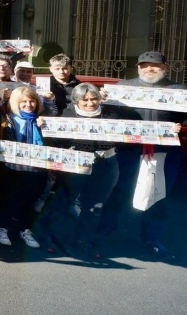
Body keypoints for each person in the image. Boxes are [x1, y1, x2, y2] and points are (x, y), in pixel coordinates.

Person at [98, 52, 186, 258]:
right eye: (144, 65)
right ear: (138, 68)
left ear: (166, 67)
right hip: (129, 151)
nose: (149, 69)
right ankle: (102, 235)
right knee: (118, 193)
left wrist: (179, 127)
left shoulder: (179, 90)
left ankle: (152, 239)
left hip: (164, 153)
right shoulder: (122, 87)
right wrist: (103, 101)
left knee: (158, 197)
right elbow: (107, 116)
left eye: (155, 65)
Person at [39, 83, 143, 259]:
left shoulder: (111, 114)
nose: (90, 103)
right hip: (76, 164)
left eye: (94, 98)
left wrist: (170, 130)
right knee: (64, 201)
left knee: (95, 207)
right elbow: (56, 140)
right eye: (85, 100)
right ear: (76, 101)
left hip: (106, 164)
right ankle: (50, 239)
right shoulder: (67, 115)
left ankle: (82, 242)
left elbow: (135, 128)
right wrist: (45, 125)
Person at [0, 87, 50, 250]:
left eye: (32, 101)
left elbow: (54, 143)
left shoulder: (42, 119)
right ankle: (2, 228)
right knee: (9, 199)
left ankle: (25, 230)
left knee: (30, 201)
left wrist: (46, 128)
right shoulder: (6, 118)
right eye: (24, 101)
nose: (29, 105)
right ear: (16, 102)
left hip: (37, 168)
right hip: (12, 167)